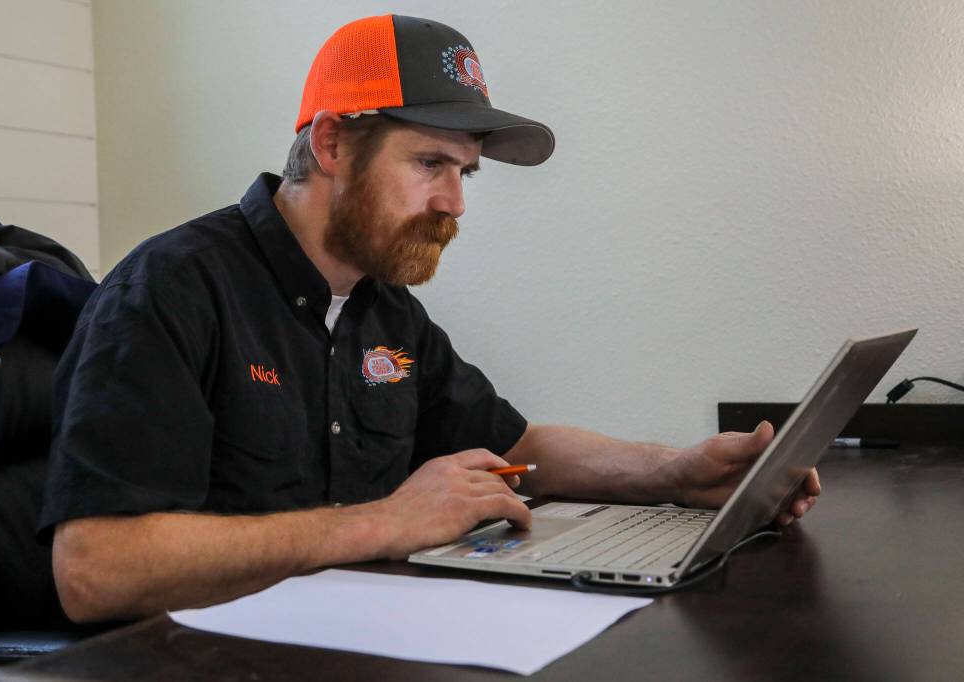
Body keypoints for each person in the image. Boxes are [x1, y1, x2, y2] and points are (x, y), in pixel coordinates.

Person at [40, 14, 820, 623]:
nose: (454, 202)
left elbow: (518, 448)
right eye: (429, 163)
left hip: (357, 637)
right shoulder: (169, 289)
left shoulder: (385, 308)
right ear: (332, 142)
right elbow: (95, 569)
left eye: (464, 172)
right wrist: (383, 521)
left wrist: (675, 473)